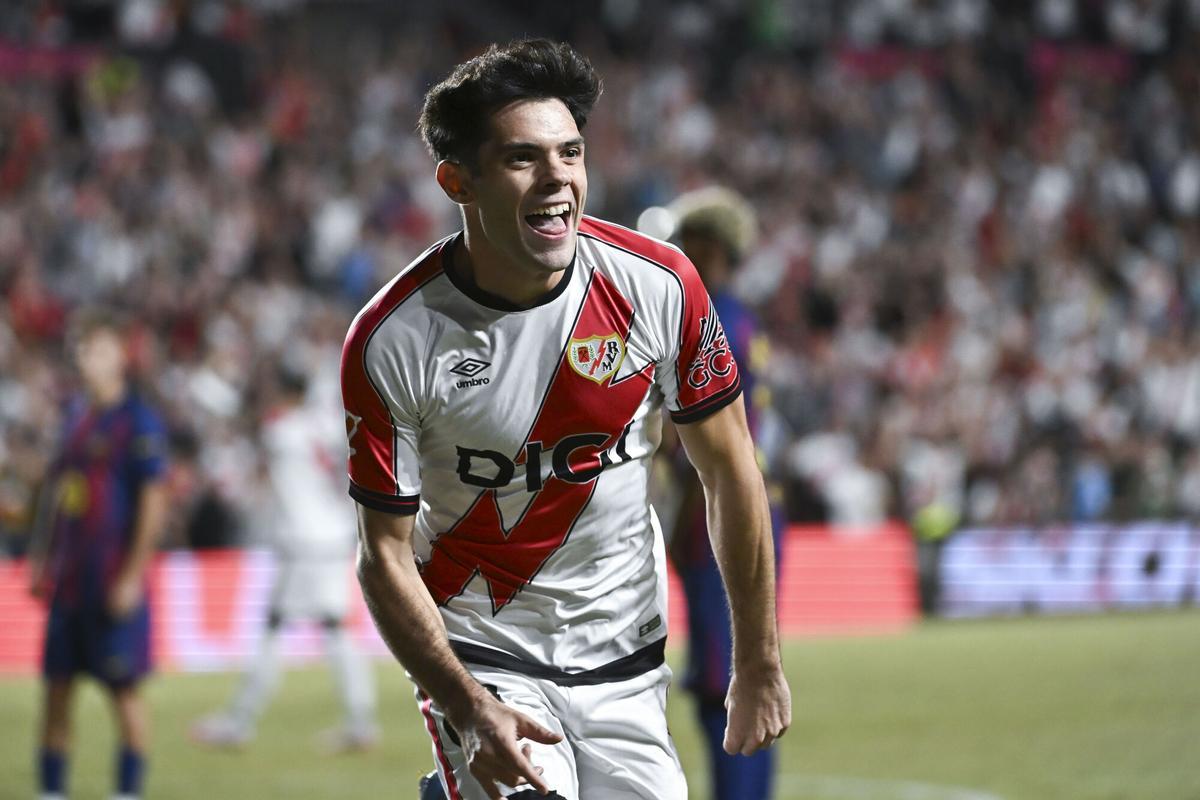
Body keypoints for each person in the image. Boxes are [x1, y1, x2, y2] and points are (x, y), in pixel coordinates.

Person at [341, 39, 790, 800]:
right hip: (487, 660)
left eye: (570, 152)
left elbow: (731, 467)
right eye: (523, 158)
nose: (557, 178)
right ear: (460, 180)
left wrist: (758, 660)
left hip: (628, 658)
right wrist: (467, 705)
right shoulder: (395, 338)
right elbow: (382, 555)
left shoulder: (659, 285)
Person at [660, 187, 786, 800]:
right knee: (731, 674)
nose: (672, 254)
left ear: (708, 247)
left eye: (683, 242)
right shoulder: (741, 315)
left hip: (723, 511)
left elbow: (683, 436)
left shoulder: (708, 320)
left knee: (726, 682)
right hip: (744, 502)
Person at [191, 365, 378, 751]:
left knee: (275, 627)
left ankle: (239, 721)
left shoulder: (283, 430)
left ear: (286, 392)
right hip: (333, 535)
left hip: (303, 543)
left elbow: (253, 427)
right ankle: (360, 722)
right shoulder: (323, 423)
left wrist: (215, 396)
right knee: (335, 628)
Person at [28, 309, 169, 800]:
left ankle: (127, 793)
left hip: (111, 579)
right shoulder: (75, 418)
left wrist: (132, 575)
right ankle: (52, 793)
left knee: (123, 692)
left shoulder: (138, 421)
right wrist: (41, 556)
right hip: (69, 582)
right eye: (83, 349)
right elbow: (57, 491)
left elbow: (154, 501)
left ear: (120, 358)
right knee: (56, 691)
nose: (86, 358)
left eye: (98, 349)